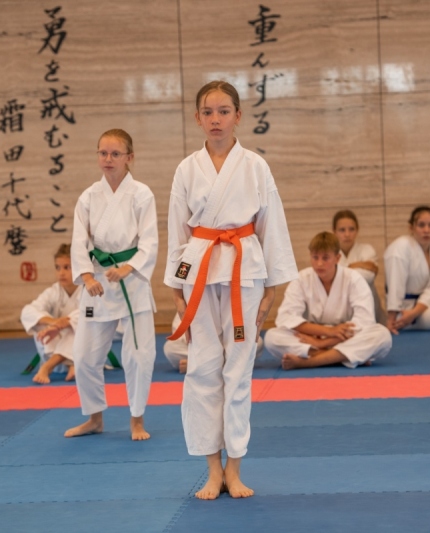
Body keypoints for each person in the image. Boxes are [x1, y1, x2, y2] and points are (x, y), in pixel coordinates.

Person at [165, 81, 297, 500]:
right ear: (197, 118)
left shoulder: (255, 166)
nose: (216, 119)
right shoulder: (186, 169)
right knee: (202, 368)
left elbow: (271, 224)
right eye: (208, 112)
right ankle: (212, 470)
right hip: (200, 269)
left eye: (224, 111)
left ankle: (235, 468)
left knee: (238, 370)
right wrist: (175, 285)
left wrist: (272, 286)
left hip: (245, 270)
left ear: (238, 116)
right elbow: (176, 228)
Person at [64, 128, 158, 442]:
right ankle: (94, 418)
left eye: (115, 153)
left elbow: (150, 240)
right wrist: (87, 276)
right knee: (84, 355)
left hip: (132, 281)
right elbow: (79, 240)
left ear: (129, 157)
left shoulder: (141, 194)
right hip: (98, 281)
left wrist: (130, 267)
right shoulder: (89, 197)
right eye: (103, 153)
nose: (108, 159)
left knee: (138, 355)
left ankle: (137, 420)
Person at [264, 232, 391, 370]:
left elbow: (364, 321)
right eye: (315, 257)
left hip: (344, 338)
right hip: (313, 337)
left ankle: (310, 361)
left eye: (325, 258)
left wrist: (324, 343)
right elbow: (286, 318)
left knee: (382, 335)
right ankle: (339, 357)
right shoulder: (301, 279)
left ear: (337, 258)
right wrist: (327, 332)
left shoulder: (354, 279)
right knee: (272, 337)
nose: (319, 263)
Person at [383, 206, 430, 334]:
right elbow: (395, 286)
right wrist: (392, 319)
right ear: (411, 227)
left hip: (422, 307)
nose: (426, 230)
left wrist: (414, 313)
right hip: (404, 309)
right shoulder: (400, 248)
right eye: (421, 225)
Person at [21, 244, 81, 384]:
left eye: (67, 267)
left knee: (83, 325)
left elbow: (90, 314)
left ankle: (48, 366)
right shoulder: (53, 291)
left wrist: (66, 322)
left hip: (80, 350)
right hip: (56, 346)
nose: (61, 273)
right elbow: (28, 311)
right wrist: (53, 323)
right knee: (40, 325)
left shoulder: (88, 289)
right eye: (57, 268)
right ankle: (70, 365)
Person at [163, 312, 264, 374]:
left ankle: (199, 366)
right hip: (201, 348)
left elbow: (242, 329)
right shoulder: (191, 295)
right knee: (170, 348)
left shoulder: (228, 293)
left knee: (257, 342)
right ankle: (230, 364)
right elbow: (180, 332)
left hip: (225, 346)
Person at [333, 209, 387, 324]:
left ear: (357, 230)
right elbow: (331, 278)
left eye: (351, 229)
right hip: (340, 312)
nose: (347, 234)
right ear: (334, 232)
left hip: (370, 308)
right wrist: (359, 265)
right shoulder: (330, 254)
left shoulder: (367, 249)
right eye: (342, 230)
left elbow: (368, 276)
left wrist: (340, 270)